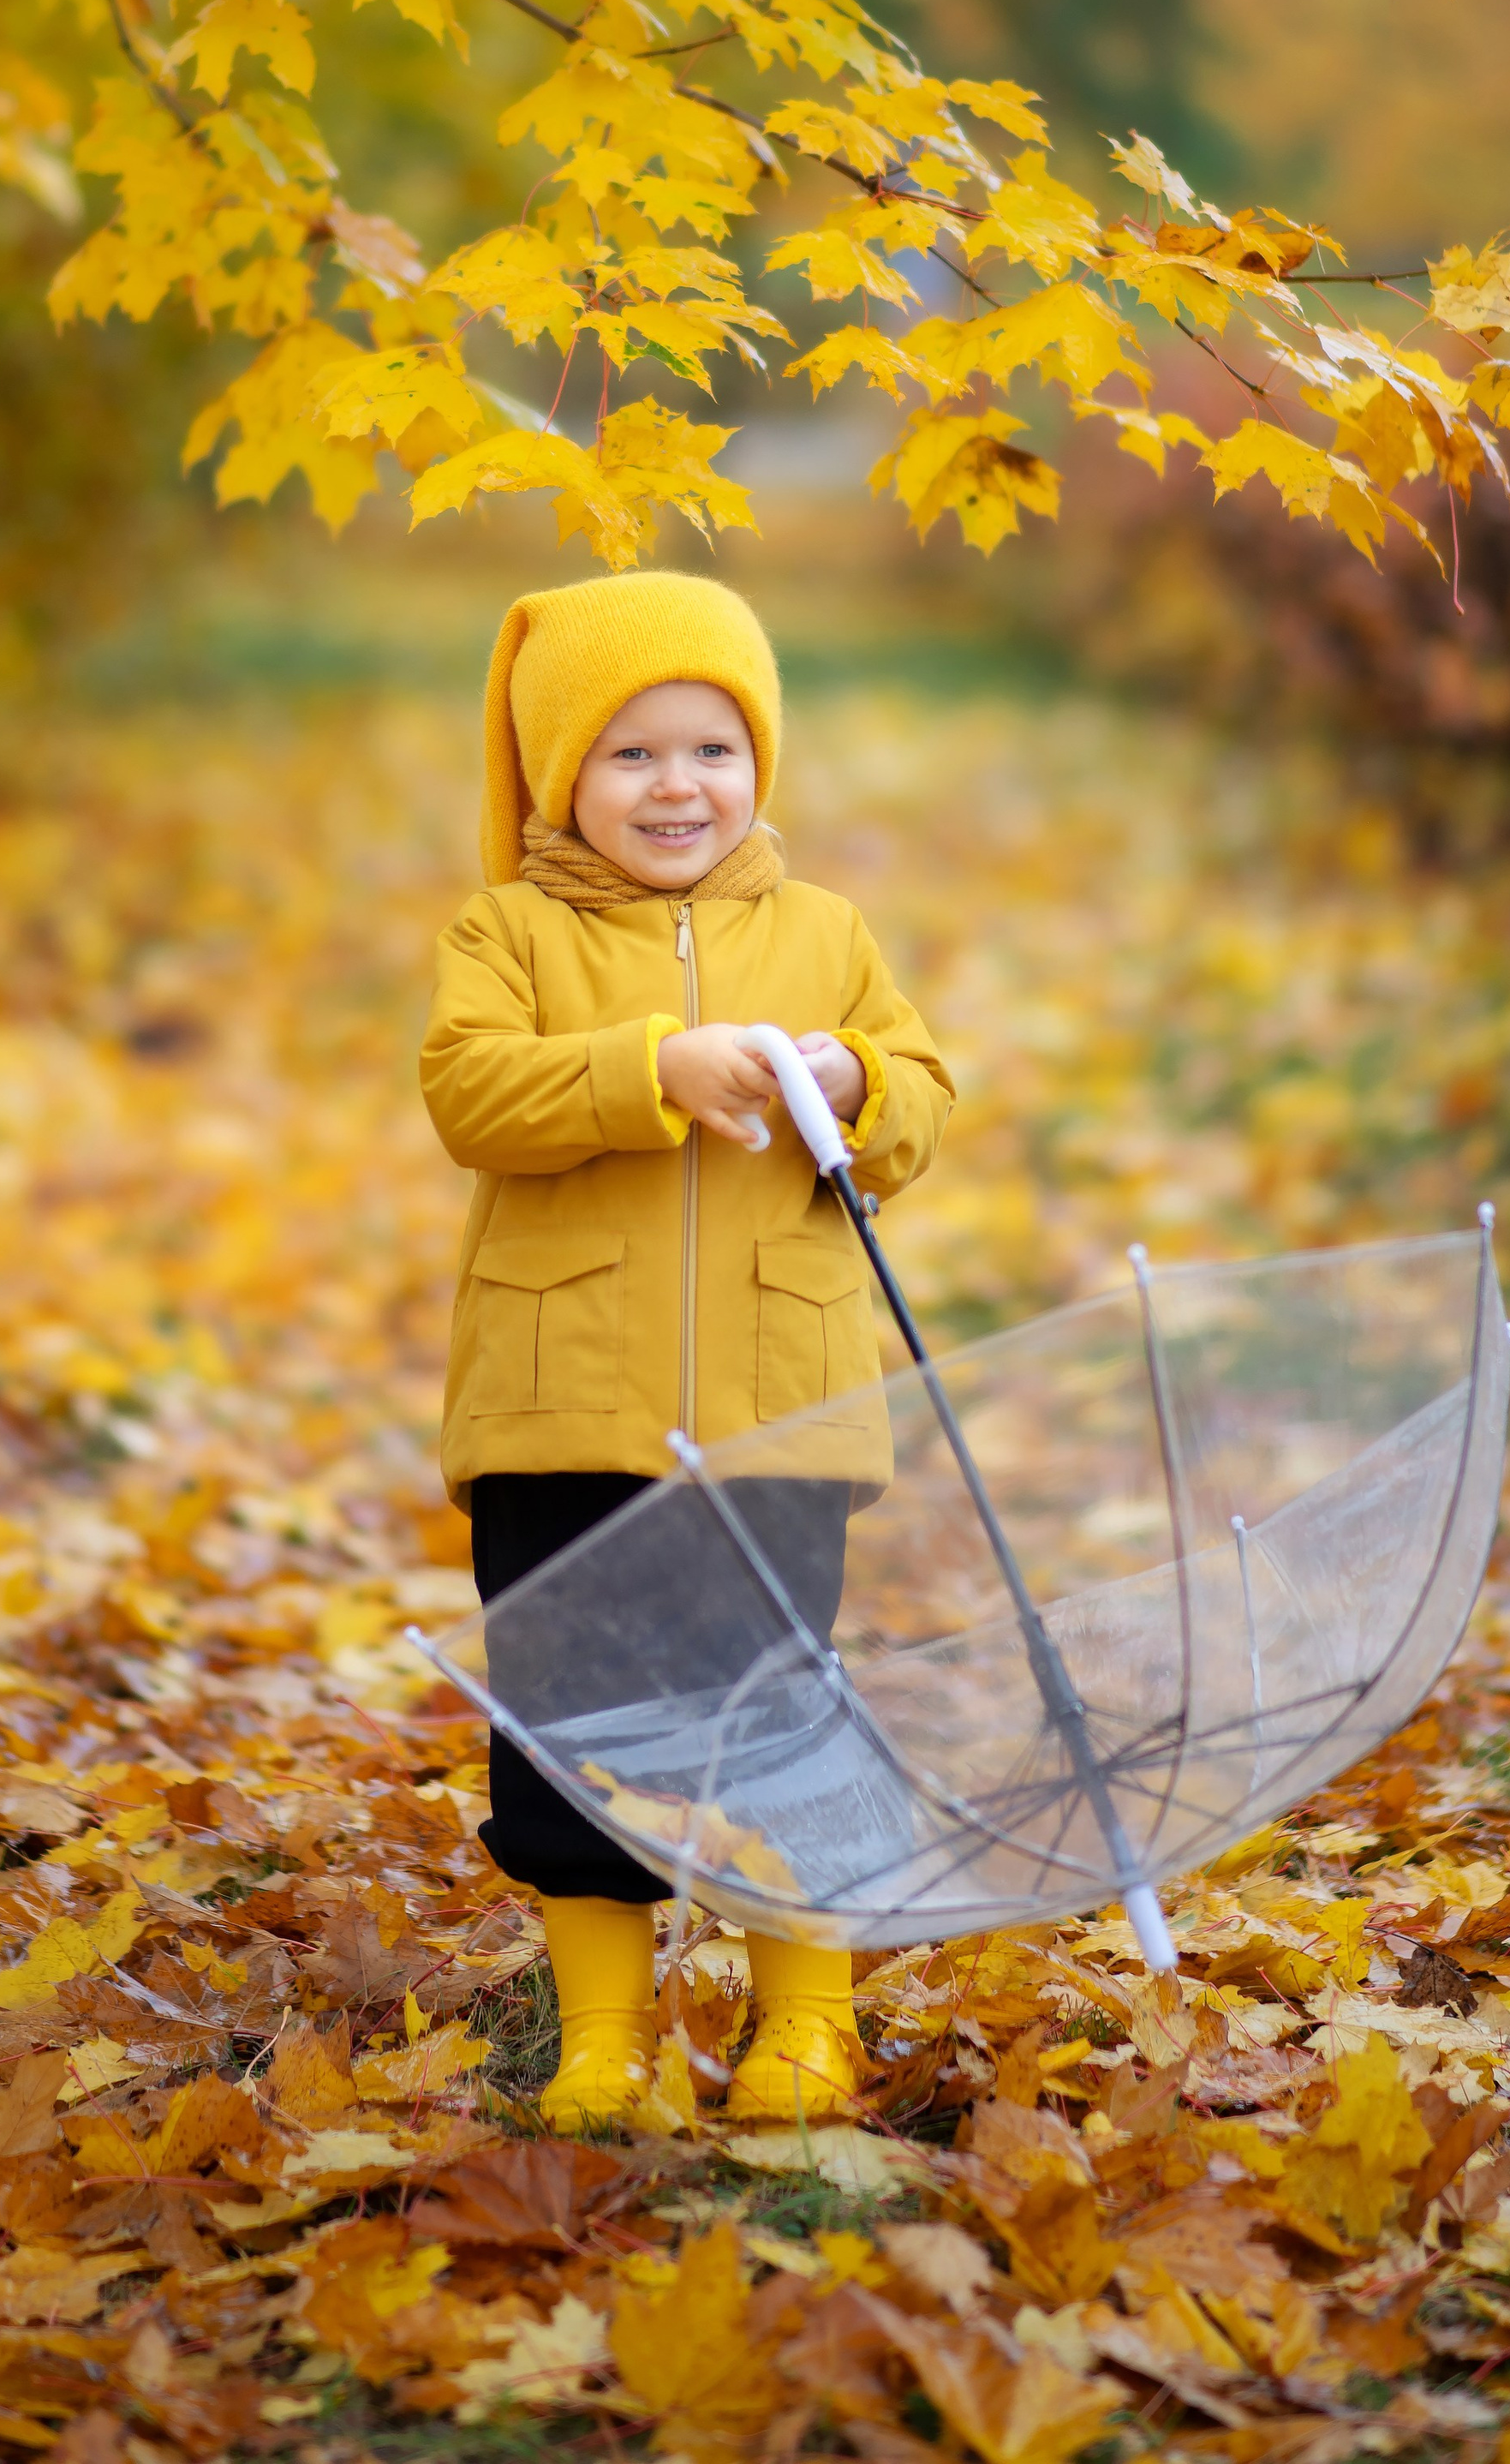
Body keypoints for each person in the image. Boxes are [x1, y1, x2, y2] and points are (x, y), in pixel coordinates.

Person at [421, 572, 952, 2128]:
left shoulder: (826, 933)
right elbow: (474, 1096)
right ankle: (605, 2032)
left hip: (778, 1403)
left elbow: (921, 1099)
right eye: (631, 753)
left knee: (782, 1710)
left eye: (712, 749)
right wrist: (649, 1065)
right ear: (559, 774)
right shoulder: (505, 932)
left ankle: (807, 2017)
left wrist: (854, 1078)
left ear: (760, 764)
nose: (677, 786)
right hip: (560, 1405)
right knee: (569, 1730)